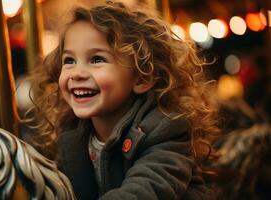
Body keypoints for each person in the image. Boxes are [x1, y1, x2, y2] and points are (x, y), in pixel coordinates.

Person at [25, 1, 220, 199]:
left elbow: (147, 189)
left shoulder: (165, 128)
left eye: (97, 59)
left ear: (142, 77)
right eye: (69, 61)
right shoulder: (71, 132)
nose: (77, 73)